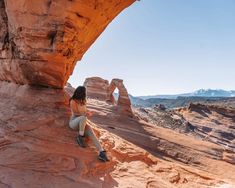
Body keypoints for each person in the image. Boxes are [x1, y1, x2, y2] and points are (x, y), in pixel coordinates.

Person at [69, 86, 109, 162]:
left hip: (82, 123)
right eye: (84, 92)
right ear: (81, 93)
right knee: (83, 118)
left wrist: (89, 112)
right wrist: (85, 115)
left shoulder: (83, 101)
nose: (85, 94)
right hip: (74, 122)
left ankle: (101, 152)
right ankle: (80, 137)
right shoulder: (73, 101)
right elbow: (76, 113)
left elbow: (85, 110)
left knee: (91, 132)